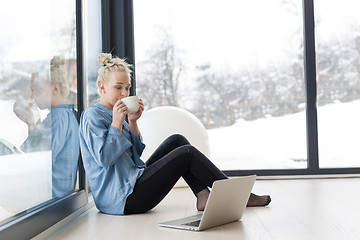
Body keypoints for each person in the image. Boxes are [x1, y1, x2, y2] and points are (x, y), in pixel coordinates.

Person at [79, 53, 271, 215]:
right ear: (102, 87)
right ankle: (238, 195)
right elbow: (103, 158)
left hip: (132, 182)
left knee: (177, 140)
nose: (124, 93)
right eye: (118, 87)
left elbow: (135, 154)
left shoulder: (119, 113)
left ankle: (202, 194)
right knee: (186, 153)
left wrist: (132, 122)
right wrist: (116, 123)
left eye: (127, 88)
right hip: (122, 200)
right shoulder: (92, 116)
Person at [14, 56, 80, 198]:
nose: (32, 96)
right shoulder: (68, 114)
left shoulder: (58, 118)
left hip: (50, 198)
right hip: (58, 196)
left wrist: (32, 122)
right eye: (31, 90)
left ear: (55, 88)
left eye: (37, 90)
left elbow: (37, 159)